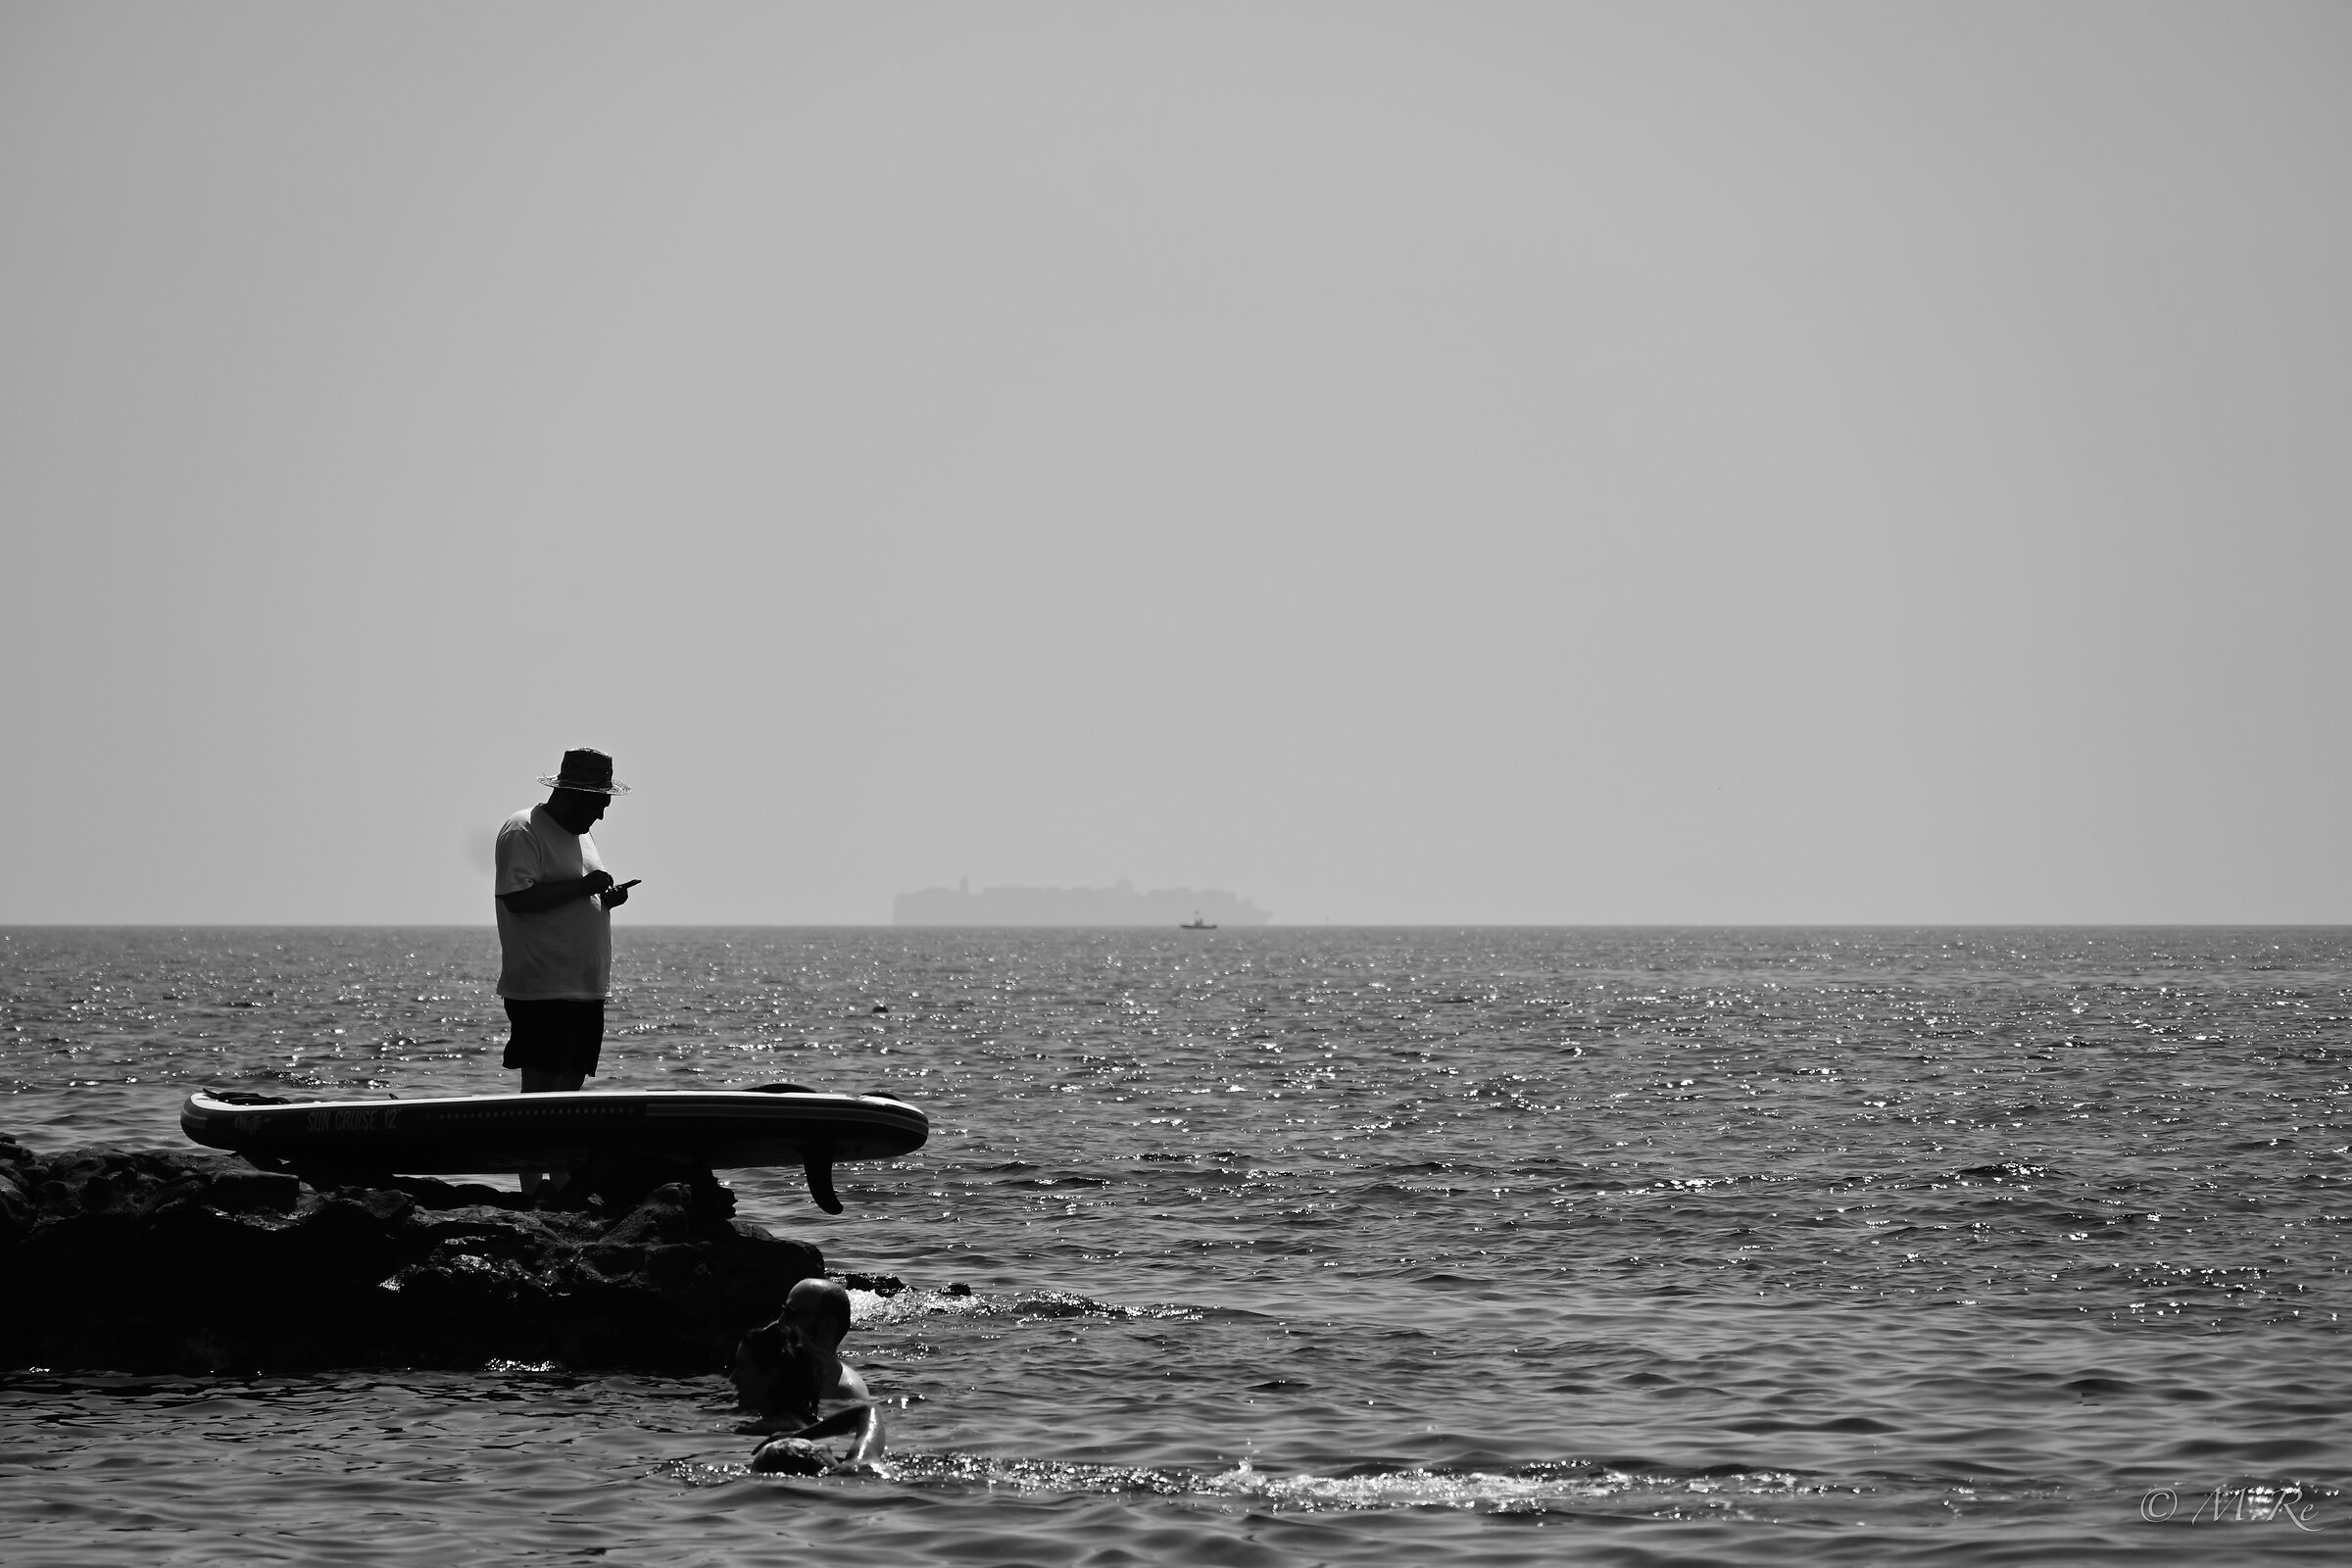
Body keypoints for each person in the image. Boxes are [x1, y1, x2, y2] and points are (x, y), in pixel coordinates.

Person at [494, 747, 635, 1200]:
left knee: (569, 1093)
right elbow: (517, 898)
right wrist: (582, 888)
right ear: (571, 794)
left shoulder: (582, 836)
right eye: (598, 803)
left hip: (584, 988)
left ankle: (562, 1190)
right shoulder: (524, 829)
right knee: (539, 1094)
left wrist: (604, 899)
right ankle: (532, 1192)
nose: (601, 813)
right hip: (542, 987)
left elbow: (573, 895)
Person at [731, 1279, 886, 1474]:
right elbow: (869, 1412)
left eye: (791, 1314)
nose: (779, 1322)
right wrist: (802, 1434)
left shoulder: (845, 1391)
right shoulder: (857, 1465)